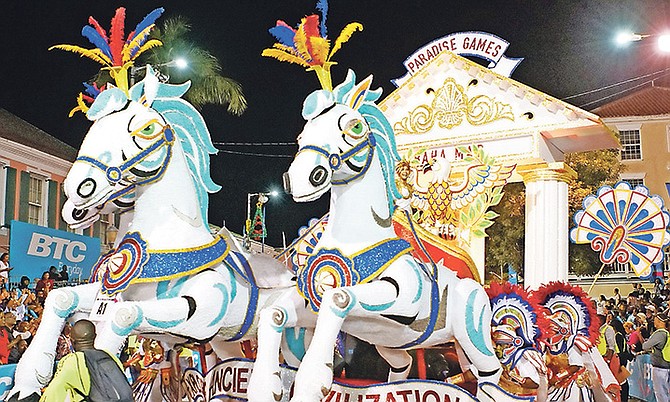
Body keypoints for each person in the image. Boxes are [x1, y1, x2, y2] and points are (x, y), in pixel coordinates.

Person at [40, 319, 133, 401]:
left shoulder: (74, 361)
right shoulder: (109, 356)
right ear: (95, 336)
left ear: (72, 341)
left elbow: (54, 392)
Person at [642, 310, 670, 402]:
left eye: (655, 320)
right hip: (665, 366)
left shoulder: (659, 334)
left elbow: (645, 346)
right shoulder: (666, 333)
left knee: (661, 394)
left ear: (660, 321)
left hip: (660, 368)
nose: (653, 321)